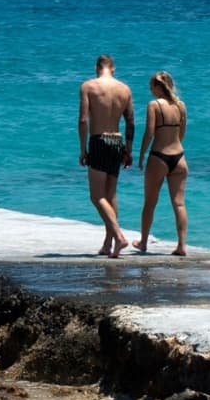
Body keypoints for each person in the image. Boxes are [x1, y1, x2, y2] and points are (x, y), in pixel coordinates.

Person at [78, 55, 134, 258]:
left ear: (97, 68)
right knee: (110, 195)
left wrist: (83, 148)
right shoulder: (125, 89)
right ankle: (108, 244)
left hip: (99, 140)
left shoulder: (88, 86)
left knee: (96, 196)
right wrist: (128, 150)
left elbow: (83, 120)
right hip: (117, 141)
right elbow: (130, 122)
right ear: (113, 68)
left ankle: (118, 237)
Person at [134, 71, 188, 256]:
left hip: (159, 156)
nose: (150, 90)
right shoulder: (181, 105)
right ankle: (182, 246)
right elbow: (181, 133)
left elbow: (149, 133)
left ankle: (143, 243)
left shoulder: (154, 105)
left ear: (157, 87)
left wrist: (141, 155)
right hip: (179, 157)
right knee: (179, 204)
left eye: (151, 86)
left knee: (149, 202)